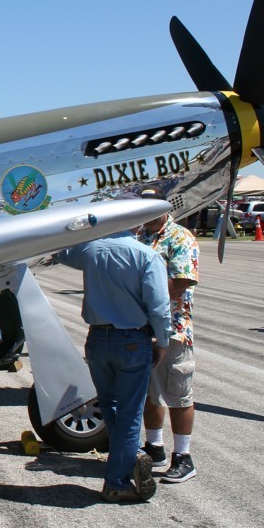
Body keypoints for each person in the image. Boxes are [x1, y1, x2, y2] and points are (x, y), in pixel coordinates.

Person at [56, 230, 171, 503]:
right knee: (130, 414)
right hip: (131, 339)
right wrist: (162, 340)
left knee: (111, 406)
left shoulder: (91, 250)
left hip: (97, 339)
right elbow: (158, 306)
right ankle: (116, 481)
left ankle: (123, 459)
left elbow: (60, 253)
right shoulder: (146, 255)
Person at [137, 189, 200, 483]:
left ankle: (184, 457)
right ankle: (154, 446)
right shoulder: (140, 236)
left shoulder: (179, 236)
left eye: (152, 205)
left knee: (178, 393)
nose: (147, 211)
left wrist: (148, 304)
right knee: (152, 392)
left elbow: (182, 279)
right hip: (142, 327)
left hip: (173, 328)